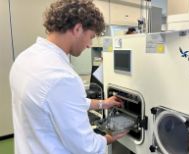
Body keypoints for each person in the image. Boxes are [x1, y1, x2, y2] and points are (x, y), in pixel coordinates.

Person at [9, 0, 128, 153]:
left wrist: (102, 104)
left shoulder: (25, 58)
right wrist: (109, 138)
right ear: (78, 29)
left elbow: (59, 102)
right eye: (91, 36)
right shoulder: (61, 76)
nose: (89, 45)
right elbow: (86, 147)